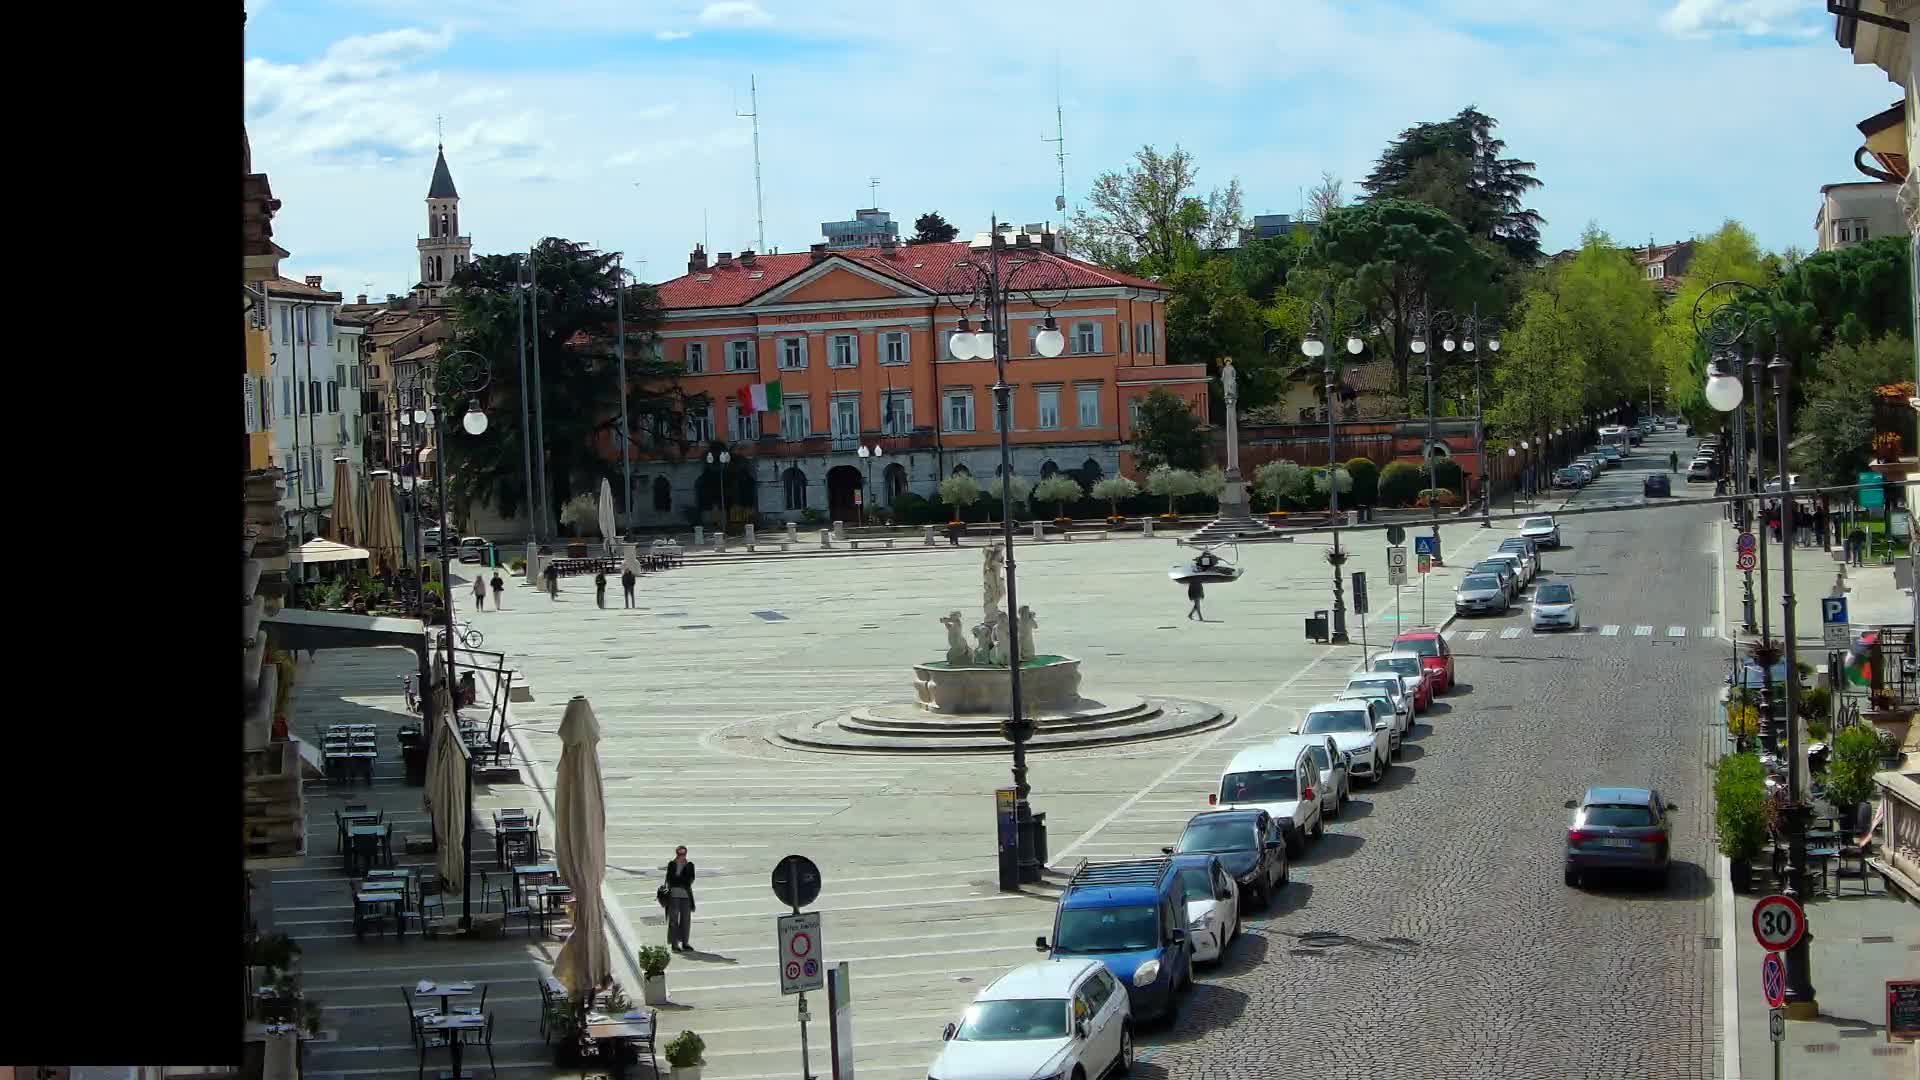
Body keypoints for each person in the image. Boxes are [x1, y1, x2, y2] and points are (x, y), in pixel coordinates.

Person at [663, 846, 696, 951]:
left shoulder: (690, 865)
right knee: (673, 920)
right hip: (673, 896)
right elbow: (670, 880)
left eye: (683, 854)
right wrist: (681, 878)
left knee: (686, 920)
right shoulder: (672, 864)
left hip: (686, 896)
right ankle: (674, 944)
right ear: (676, 854)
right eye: (680, 854)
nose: (682, 856)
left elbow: (690, 879)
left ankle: (685, 943)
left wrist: (679, 879)